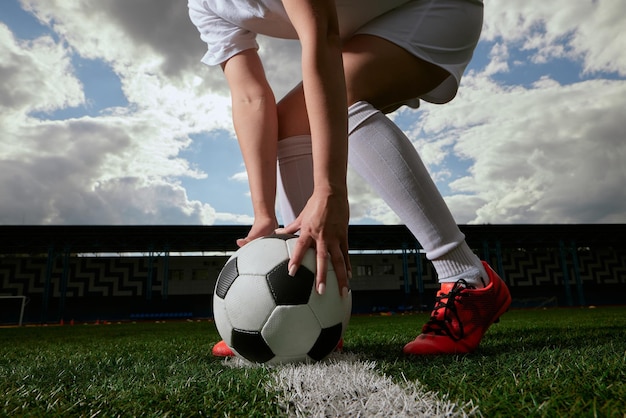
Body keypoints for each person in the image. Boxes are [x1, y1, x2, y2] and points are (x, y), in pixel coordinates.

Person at [188, 0, 511, 356]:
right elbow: (250, 98)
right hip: (369, 24)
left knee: (341, 96)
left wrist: (329, 189)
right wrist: (263, 215)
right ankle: (312, 309)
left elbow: (321, 36)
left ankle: (467, 278)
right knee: (291, 125)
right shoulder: (203, 5)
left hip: (438, 9)